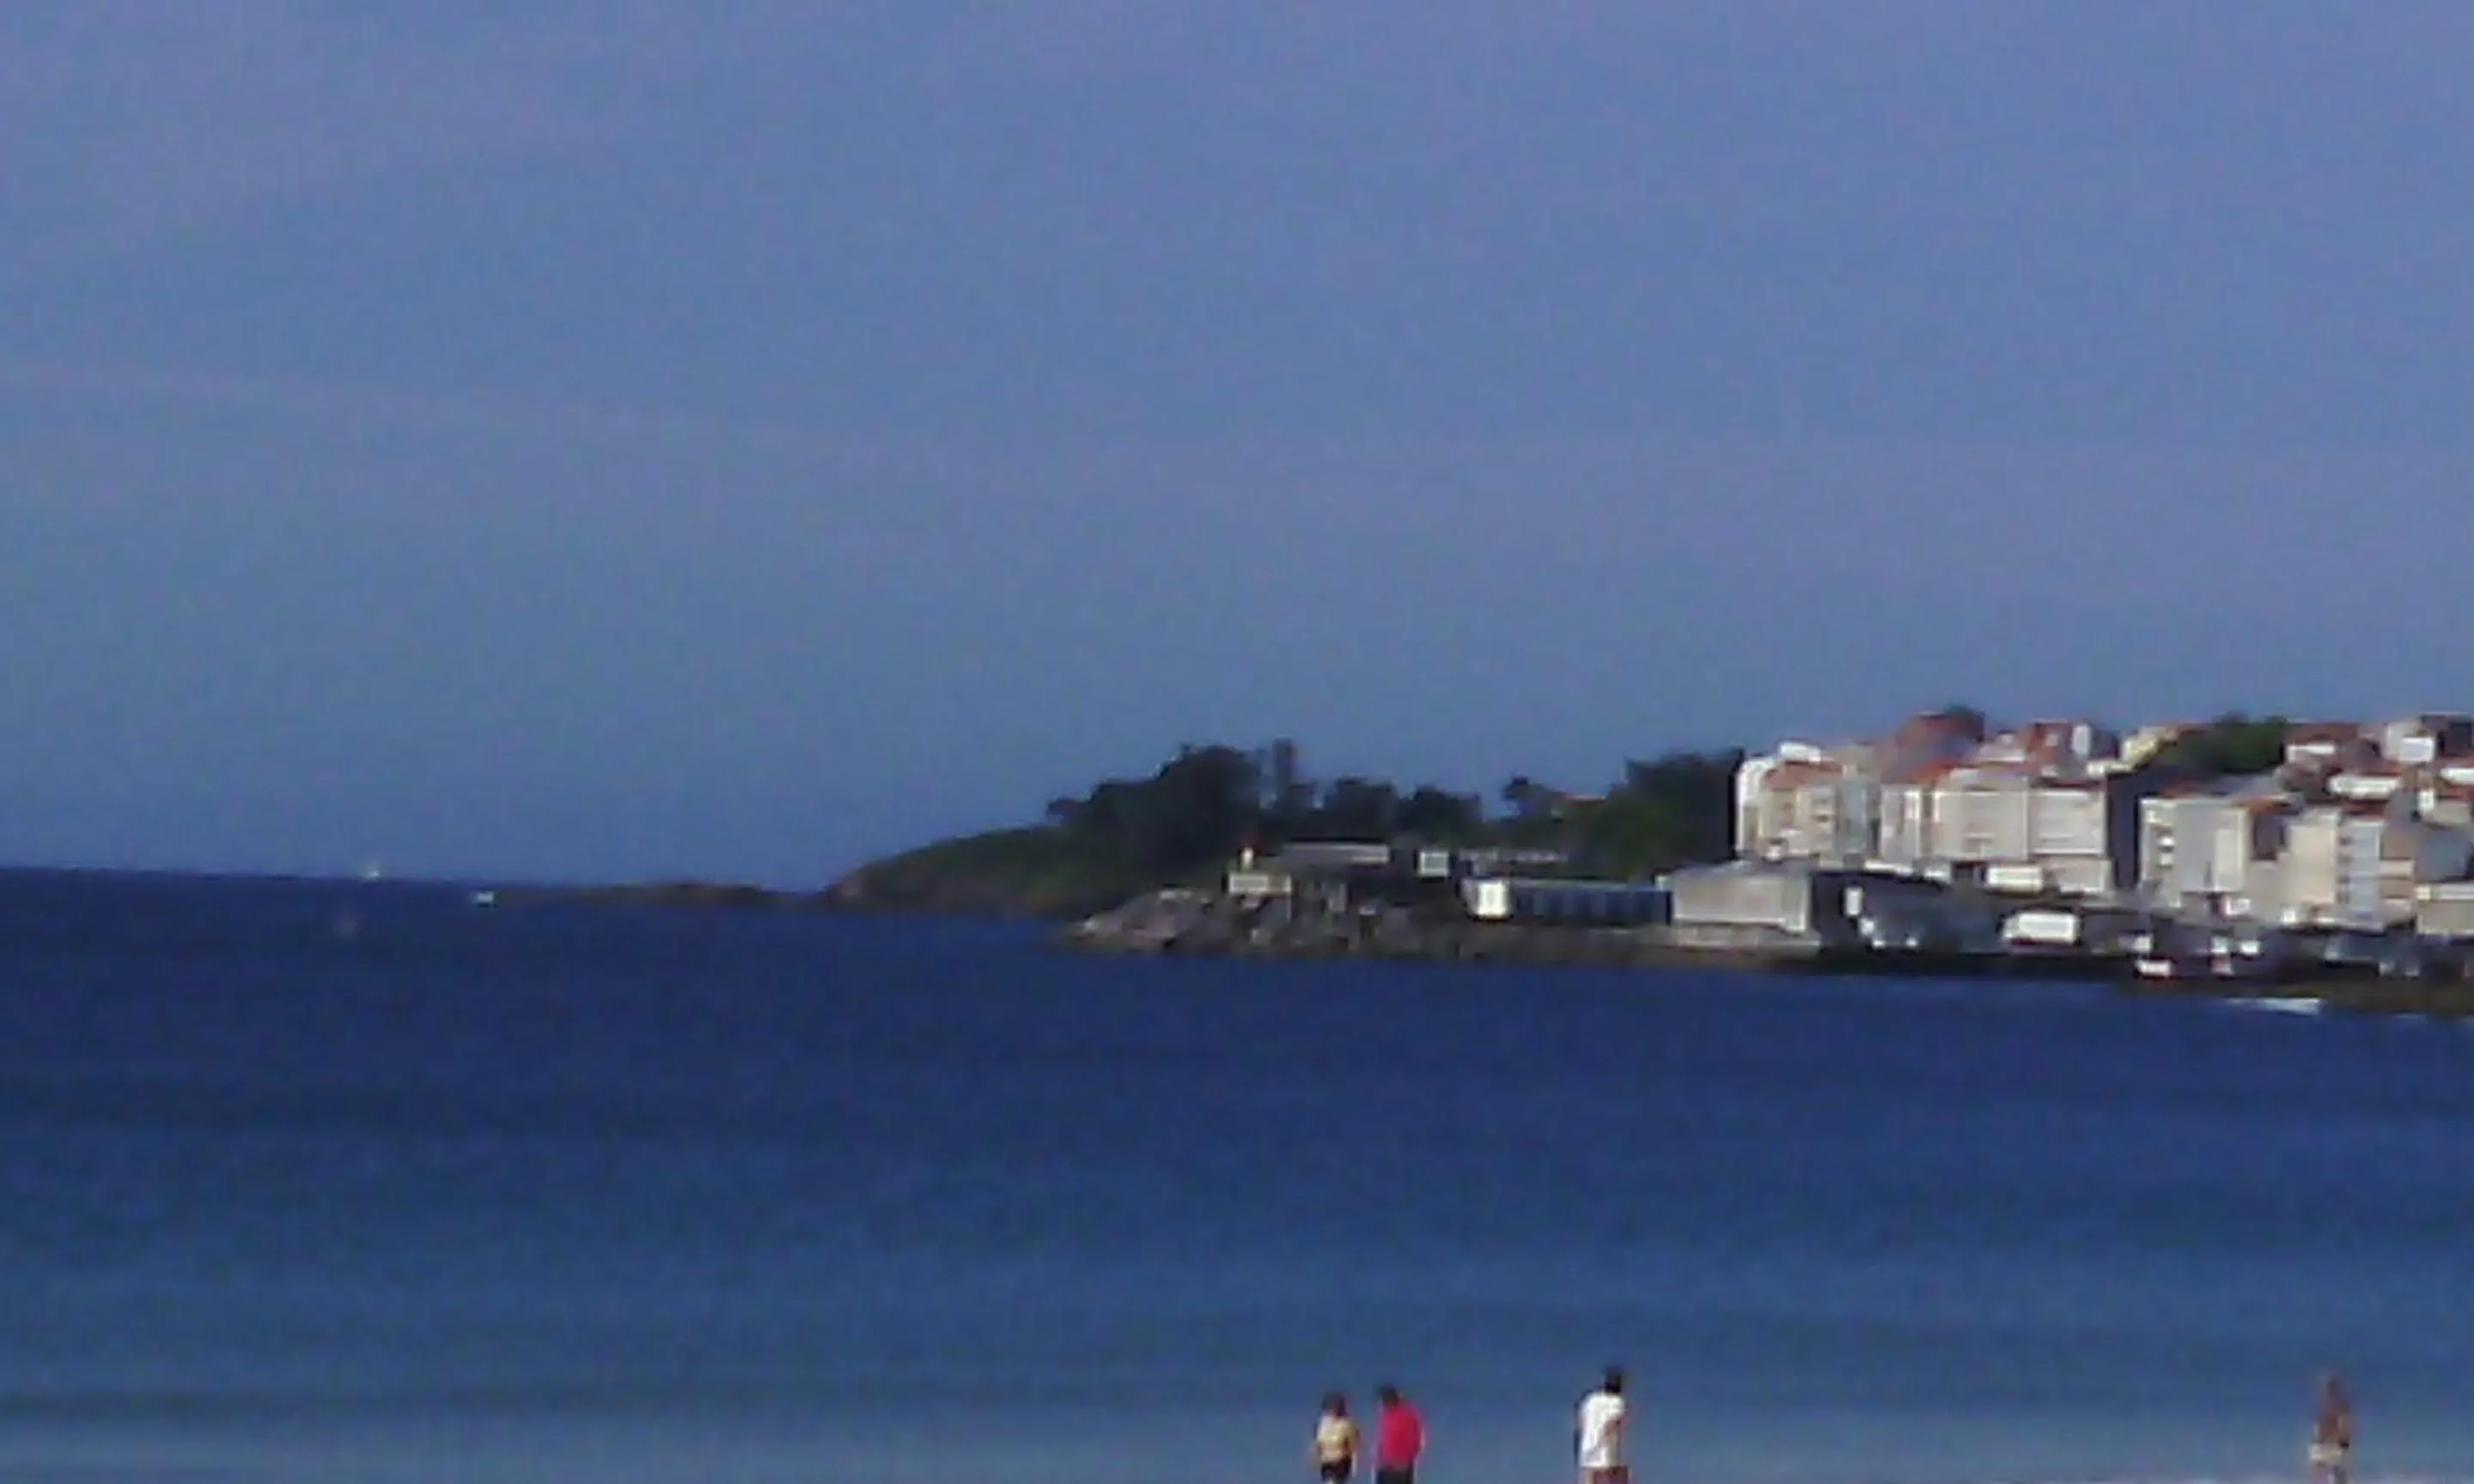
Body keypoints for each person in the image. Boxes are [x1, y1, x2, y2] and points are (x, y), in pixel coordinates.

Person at [1576, 1365, 1629, 1484]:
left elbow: (1580, 1423)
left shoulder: (1590, 1400)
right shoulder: (1618, 1402)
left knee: (1589, 1480)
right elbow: (1613, 1424)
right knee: (1618, 1478)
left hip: (1587, 1449)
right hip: (1605, 1451)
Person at [1374, 1383, 1425, 1484]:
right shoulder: (1389, 1415)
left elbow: (1417, 1441)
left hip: (1396, 1466)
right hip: (1393, 1466)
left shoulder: (1398, 1415)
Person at [2309, 1371, 2355, 1484]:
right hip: (2325, 1446)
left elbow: (2344, 1426)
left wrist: (2339, 1441)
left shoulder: (2340, 1406)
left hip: (2336, 1446)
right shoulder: (2326, 1406)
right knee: (2320, 1471)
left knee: (2337, 1473)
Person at [1313, 1391, 1359, 1482]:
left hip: (1341, 1462)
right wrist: (1315, 1456)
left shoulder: (1347, 1424)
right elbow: (1318, 1442)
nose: (1332, 1410)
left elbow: (1352, 1446)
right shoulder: (1322, 1423)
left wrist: (1354, 1465)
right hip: (1326, 1461)